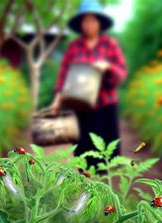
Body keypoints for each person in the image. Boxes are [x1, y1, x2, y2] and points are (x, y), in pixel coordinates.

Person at [50, 0, 128, 172]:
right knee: (83, 153)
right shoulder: (73, 47)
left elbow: (121, 72)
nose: (89, 24)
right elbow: (63, 75)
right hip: (80, 106)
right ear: (80, 24)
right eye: (85, 20)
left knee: (105, 156)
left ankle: (103, 192)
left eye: (93, 20)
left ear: (99, 22)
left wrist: (107, 67)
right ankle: (86, 189)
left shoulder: (110, 45)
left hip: (105, 107)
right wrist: (57, 101)